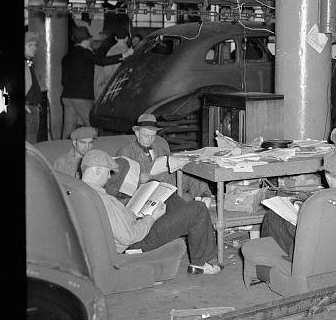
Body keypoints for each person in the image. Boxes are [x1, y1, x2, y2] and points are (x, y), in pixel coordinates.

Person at [80, 149, 220, 275]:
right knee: (198, 208)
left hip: (135, 226)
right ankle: (201, 263)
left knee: (167, 195)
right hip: (137, 241)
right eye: (107, 172)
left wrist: (137, 214)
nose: (109, 177)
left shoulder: (84, 191)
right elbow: (128, 237)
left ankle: (193, 228)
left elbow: (118, 223)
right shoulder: (103, 201)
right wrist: (151, 218)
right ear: (97, 170)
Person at [117, 113, 212, 200]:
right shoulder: (126, 151)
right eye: (146, 136)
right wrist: (138, 179)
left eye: (153, 136)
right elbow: (120, 183)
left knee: (193, 173)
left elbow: (171, 161)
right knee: (180, 199)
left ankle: (206, 197)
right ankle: (188, 201)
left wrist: (181, 160)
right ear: (137, 133)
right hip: (145, 191)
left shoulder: (158, 148)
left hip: (165, 183)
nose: (150, 140)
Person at [60, 25, 133, 138]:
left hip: (67, 96)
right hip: (82, 97)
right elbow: (102, 61)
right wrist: (124, 55)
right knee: (91, 126)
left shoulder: (67, 56)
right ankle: (93, 152)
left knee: (68, 128)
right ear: (87, 40)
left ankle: (62, 150)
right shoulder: (85, 53)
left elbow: (64, 80)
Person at [94, 28, 130, 100]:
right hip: (119, 88)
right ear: (127, 38)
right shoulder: (127, 51)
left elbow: (106, 71)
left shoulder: (111, 50)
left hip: (107, 86)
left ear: (116, 38)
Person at [25, 30, 42, 143]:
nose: (34, 48)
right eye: (30, 45)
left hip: (32, 108)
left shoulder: (28, 63)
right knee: (30, 146)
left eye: (35, 45)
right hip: (29, 109)